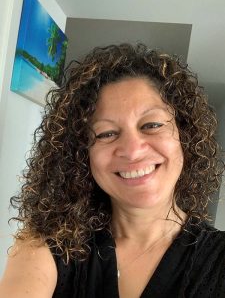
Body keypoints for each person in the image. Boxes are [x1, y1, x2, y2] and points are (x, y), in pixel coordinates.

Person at [0, 43, 224, 298]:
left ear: (185, 136)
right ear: (81, 154)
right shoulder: (46, 245)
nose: (132, 150)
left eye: (151, 124)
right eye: (106, 133)